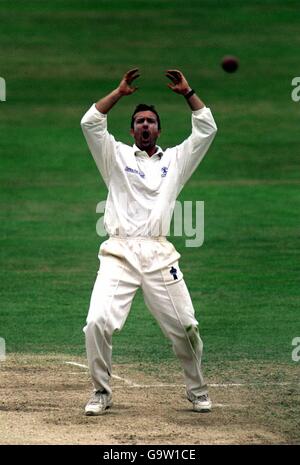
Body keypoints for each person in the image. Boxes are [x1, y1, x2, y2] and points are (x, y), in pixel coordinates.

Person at [80, 68, 217, 416]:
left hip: (158, 253)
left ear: (158, 129)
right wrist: (118, 92)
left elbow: (206, 129)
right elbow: (90, 123)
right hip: (119, 252)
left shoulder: (175, 160)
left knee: (187, 329)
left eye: (150, 122)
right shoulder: (115, 156)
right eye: (139, 121)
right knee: (97, 322)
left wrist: (189, 92)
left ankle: (198, 390)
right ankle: (101, 393)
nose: (144, 126)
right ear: (131, 130)